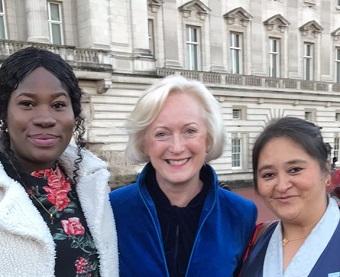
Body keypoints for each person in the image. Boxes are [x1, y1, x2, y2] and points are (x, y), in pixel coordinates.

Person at [109, 76, 257, 277]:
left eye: (190, 131)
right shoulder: (112, 210)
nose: (177, 148)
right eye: (161, 133)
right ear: (144, 142)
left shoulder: (240, 213)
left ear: (209, 138)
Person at [0, 47, 118, 277]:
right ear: (4, 112)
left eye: (58, 105)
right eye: (27, 104)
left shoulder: (93, 186)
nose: (45, 118)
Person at [240, 117, 340, 277]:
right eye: (269, 174)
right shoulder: (255, 240)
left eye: (294, 169)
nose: (281, 186)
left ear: (326, 170)